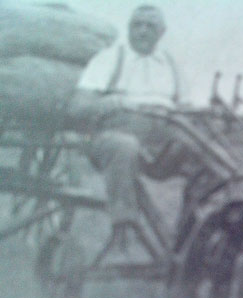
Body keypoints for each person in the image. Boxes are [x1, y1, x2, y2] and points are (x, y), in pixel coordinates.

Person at [69, 4, 201, 243]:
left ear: (161, 32)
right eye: (137, 25)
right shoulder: (110, 58)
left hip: (159, 145)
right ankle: (124, 226)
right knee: (125, 145)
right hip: (108, 137)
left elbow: (186, 108)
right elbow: (78, 107)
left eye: (150, 26)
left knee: (202, 151)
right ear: (129, 29)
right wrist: (110, 102)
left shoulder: (171, 64)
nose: (142, 31)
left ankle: (194, 233)